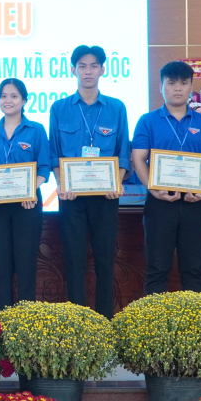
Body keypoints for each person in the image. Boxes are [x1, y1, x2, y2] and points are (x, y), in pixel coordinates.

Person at [49, 45, 130, 318]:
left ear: (102, 69)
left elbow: (123, 152)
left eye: (94, 65)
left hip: (105, 198)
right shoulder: (59, 108)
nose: (88, 71)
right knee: (74, 262)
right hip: (71, 199)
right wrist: (62, 184)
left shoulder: (116, 108)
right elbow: (54, 153)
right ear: (73, 70)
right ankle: (79, 322)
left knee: (105, 261)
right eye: (82, 66)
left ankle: (105, 322)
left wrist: (117, 183)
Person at [131, 61, 201, 294]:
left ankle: (193, 318)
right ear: (161, 87)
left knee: (194, 271)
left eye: (183, 83)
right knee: (157, 270)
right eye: (171, 83)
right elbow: (138, 158)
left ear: (191, 86)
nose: (177, 88)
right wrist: (152, 189)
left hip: (194, 203)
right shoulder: (147, 121)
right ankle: (155, 319)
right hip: (159, 203)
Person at [0, 79, 49, 308]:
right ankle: (3, 321)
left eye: (14, 96)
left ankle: (24, 322)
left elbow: (44, 168)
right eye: (3, 96)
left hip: (27, 207)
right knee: (1, 269)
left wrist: (31, 191)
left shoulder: (36, 130)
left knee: (26, 267)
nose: (7, 100)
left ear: (24, 100)